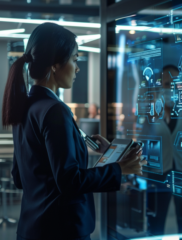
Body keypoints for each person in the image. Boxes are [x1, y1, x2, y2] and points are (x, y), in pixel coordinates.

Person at [1, 23, 147, 240]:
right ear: (54, 65)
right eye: (75, 59)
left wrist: (105, 157)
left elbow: (20, 177)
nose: (77, 68)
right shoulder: (55, 111)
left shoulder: (27, 105)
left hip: (33, 228)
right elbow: (69, 181)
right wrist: (118, 169)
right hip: (61, 230)